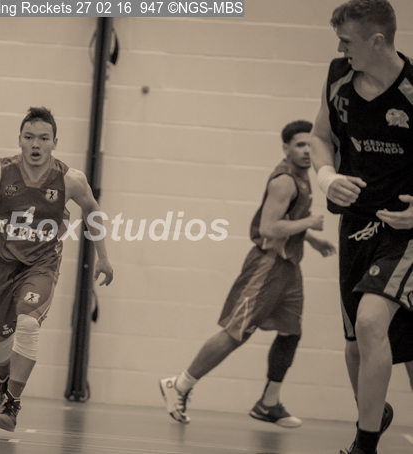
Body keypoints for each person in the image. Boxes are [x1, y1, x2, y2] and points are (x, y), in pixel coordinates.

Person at [0, 107, 113, 432]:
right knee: (0, 342)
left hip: (41, 265)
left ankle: (12, 402)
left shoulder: (70, 180)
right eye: (29, 137)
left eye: (43, 138)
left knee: (29, 324)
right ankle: (4, 380)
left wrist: (103, 256)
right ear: (19, 139)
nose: (36, 144)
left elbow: (92, 210)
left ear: (55, 142)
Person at [159, 120, 336, 428]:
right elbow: (269, 227)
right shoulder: (285, 181)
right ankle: (180, 384)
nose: (307, 151)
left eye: (310, 144)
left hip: (289, 267)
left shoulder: (303, 176)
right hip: (267, 266)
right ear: (286, 148)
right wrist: (309, 224)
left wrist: (311, 238)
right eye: (300, 145)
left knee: (291, 331)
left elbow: (287, 218)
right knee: (236, 332)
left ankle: (269, 402)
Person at [309, 1, 413, 453]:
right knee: (356, 344)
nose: (339, 49)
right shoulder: (339, 78)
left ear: (377, 41)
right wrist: (327, 178)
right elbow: (319, 136)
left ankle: (363, 446)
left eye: (346, 41)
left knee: (372, 323)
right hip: (356, 226)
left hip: (404, 231)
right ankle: (375, 415)